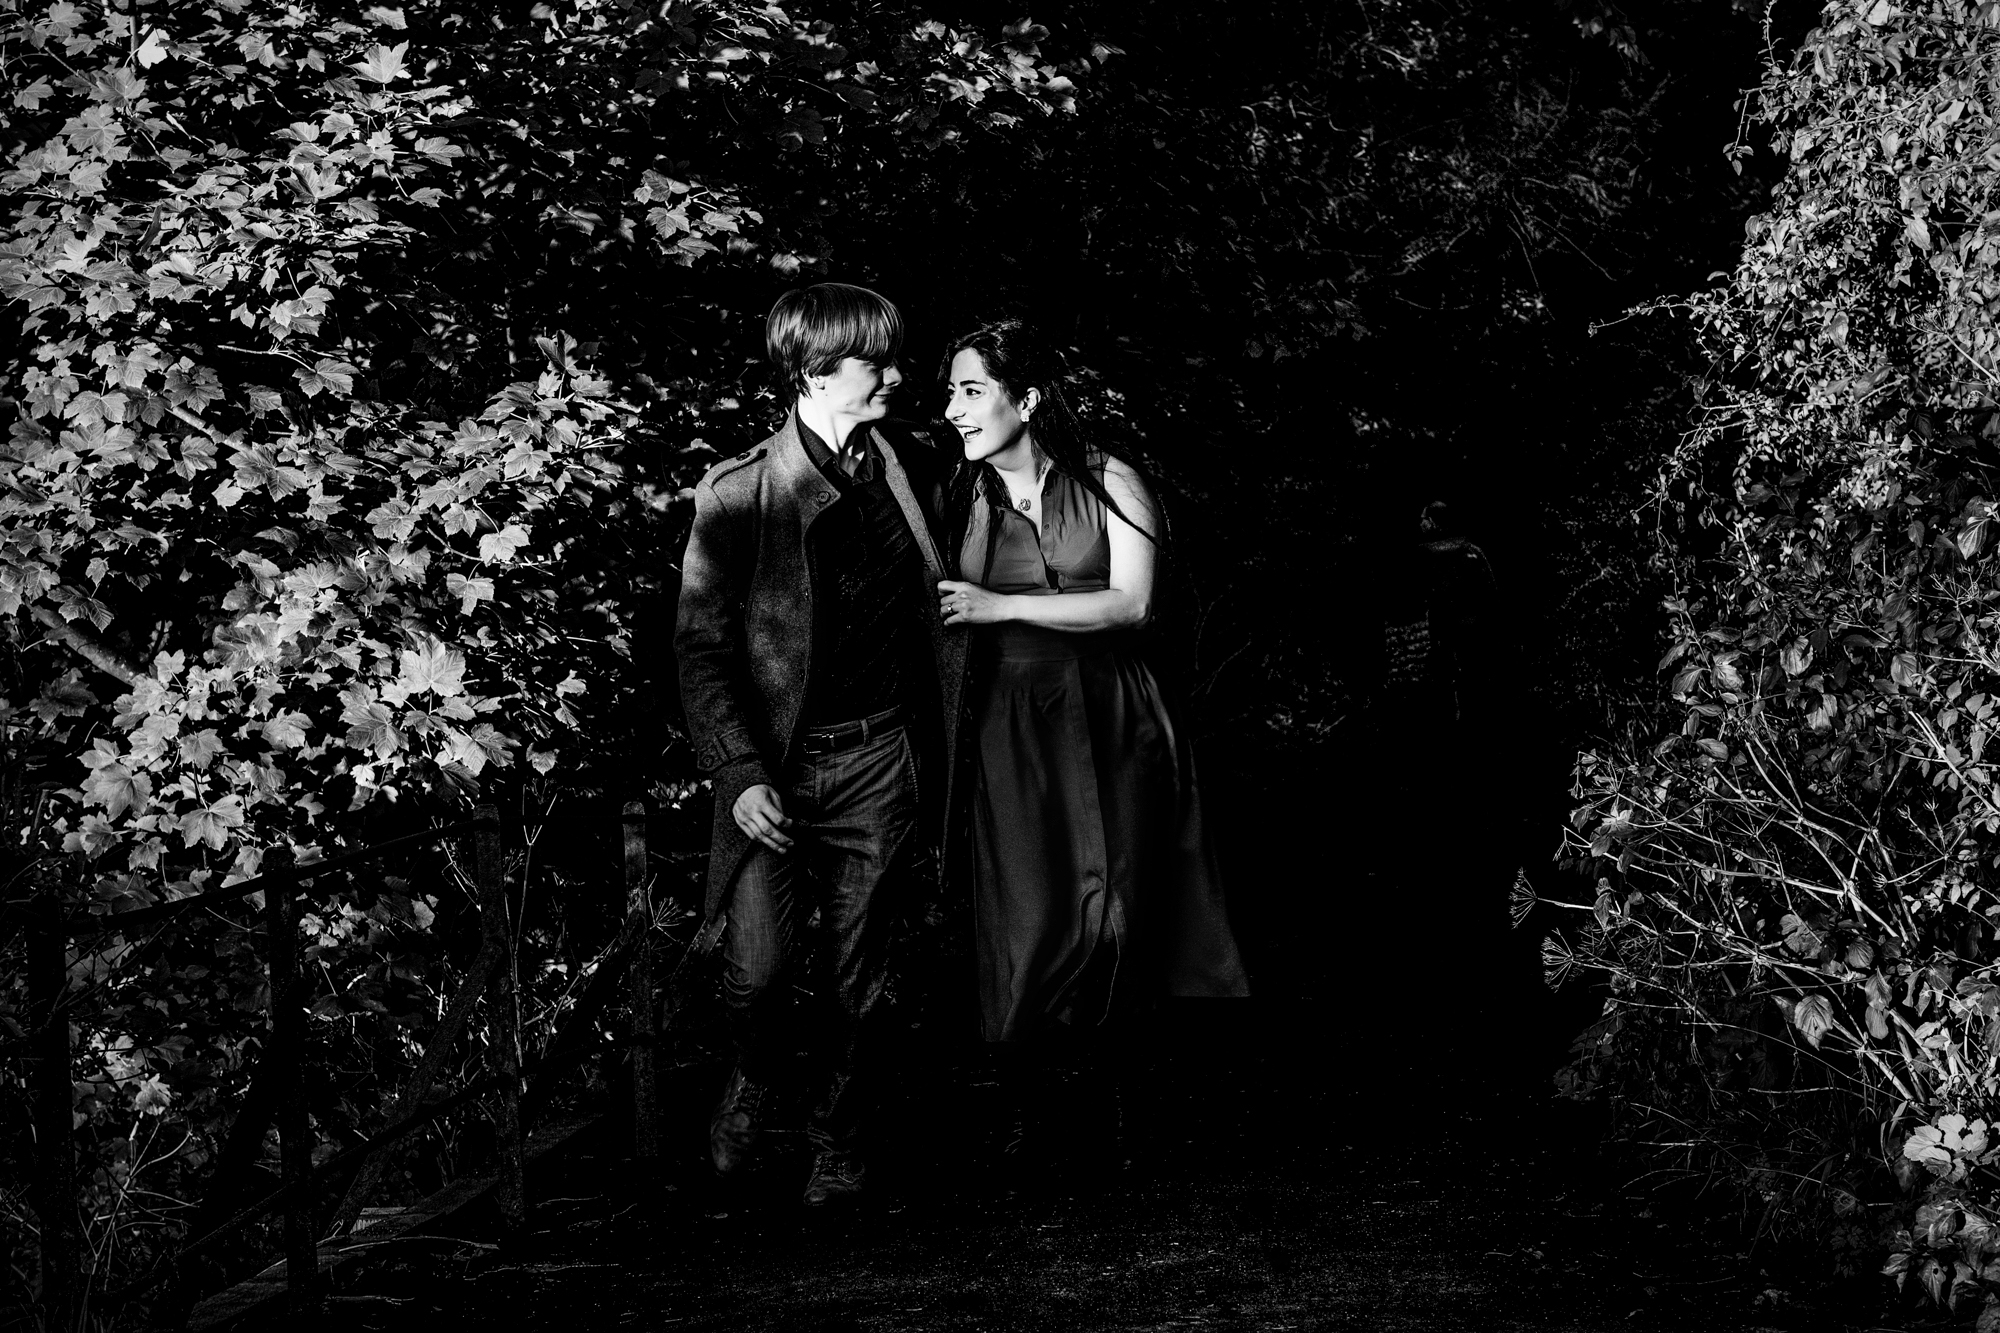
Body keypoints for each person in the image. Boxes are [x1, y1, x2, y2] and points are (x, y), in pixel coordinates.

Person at [674, 283, 963, 1206]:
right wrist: (739, 772)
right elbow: (701, 648)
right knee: (754, 976)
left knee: (859, 981)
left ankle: (838, 1135)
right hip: (775, 775)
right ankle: (755, 1075)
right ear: (811, 373)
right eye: (871, 362)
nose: (892, 375)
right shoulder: (739, 493)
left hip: (880, 759)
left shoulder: (909, 466)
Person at [934, 320, 1248, 1147]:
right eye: (951, 393)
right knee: (1028, 905)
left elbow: (1133, 604)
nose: (953, 410)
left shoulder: (1112, 480)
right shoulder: (962, 500)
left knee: (1123, 901)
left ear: (1026, 398)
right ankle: (1030, 1099)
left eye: (971, 390)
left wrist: (1002, 606)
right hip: (1013, 723)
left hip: (1115, 712)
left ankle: (1122, 1082)